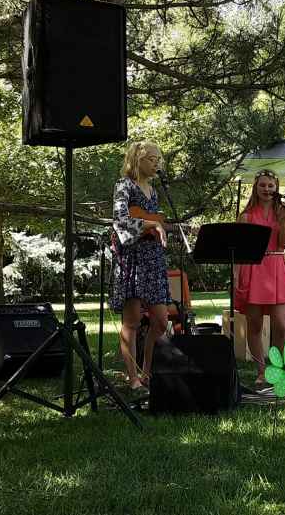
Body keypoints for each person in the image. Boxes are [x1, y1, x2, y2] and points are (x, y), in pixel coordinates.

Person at [109, 141, 171, 393]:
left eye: (158, 159)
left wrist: (161, 229)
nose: (157, 163)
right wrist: (149, 224)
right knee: (132, 321)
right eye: (152, 159)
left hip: (152, 258)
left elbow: (153, 222)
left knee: (161, 321)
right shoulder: (124, 185)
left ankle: (147, 371)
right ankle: (133, 377)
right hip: (132, 258)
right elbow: (120, 219)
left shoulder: (153, 190)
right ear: (137, 160)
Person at [234, 169, 285, 385]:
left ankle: (277, 368)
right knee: (255, 325)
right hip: (254, 268)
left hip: (276, 266)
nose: (267, 189)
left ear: (276, 188)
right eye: (262, 185)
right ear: (256, 188)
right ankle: (261, 370)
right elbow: (239, 252)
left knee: (282, 324)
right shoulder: (246, 216)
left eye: (270, 185)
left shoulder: (284, 213)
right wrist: (237, 279)